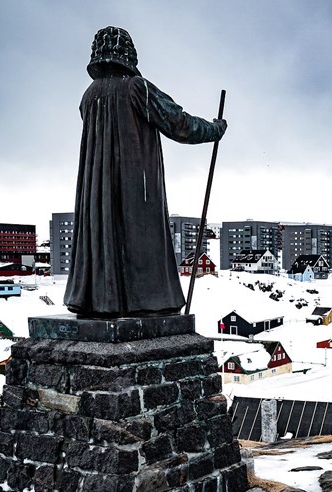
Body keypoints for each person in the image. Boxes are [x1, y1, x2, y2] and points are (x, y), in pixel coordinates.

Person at [64, 26, 226, 318]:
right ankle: (148, 301)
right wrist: (215, 129)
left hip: (97, 192)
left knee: (104, 237)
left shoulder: (88, 96)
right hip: (135, 186)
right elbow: (178, 122)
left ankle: (102, 301)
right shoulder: (136, 87)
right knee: (141, 241)